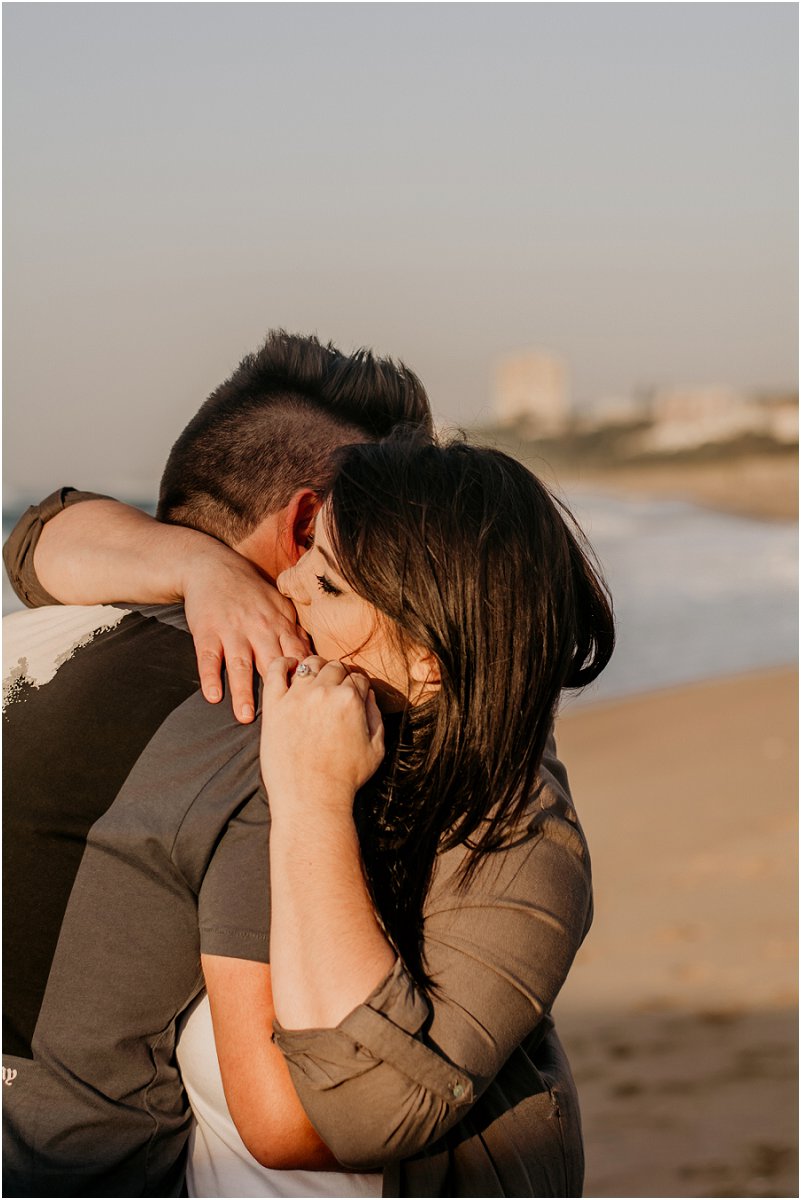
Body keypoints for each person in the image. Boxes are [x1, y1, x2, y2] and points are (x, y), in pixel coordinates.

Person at [8, 432, 614, 1195]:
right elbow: (35, 542)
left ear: (429, 660)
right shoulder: (323, 714)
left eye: (325, 583)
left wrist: (309, 802)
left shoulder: (519, 835)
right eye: (304, 555)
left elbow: (357, 1114)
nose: (284, 585)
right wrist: (204, 569)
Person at [1, 329, 433, 1197]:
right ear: (309, 527)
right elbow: (293, 1118)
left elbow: (35, 537)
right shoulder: (278, 723)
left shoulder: (28, 635)